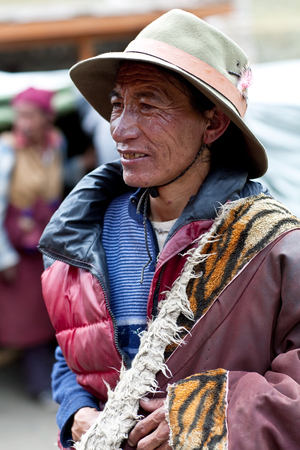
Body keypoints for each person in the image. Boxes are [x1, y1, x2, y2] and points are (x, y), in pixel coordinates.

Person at [39, 9, 300, 450]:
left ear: (213, 124)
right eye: (118, 103)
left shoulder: (275, 248)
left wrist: (207, 411)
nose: (120, 129)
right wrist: (73, 411)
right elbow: (76, 347)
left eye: (149, 104)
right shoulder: (85, 232)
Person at [0, 87, 64, 402]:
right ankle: (39, 385)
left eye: (29, 115)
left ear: (46, 118)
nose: (21, 122)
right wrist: (4, 256)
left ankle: (50, 383)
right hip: (15, 245)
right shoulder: (6, 150)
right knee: (23, 317)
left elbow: (59, 183)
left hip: (44, 240)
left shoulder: (56, 144)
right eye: (18, 115)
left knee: (49, 311)